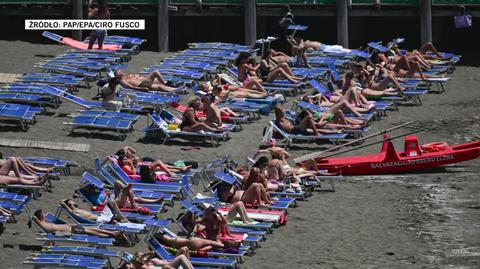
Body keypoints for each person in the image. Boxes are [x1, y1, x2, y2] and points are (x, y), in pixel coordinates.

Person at [33, 209, 127, 241]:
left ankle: (114, 233)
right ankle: (114, 235)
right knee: (93, 232)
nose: (45, 215)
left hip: (71, 227)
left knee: (94, 229)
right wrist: (33, 217)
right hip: (70, 231)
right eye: (44, 214)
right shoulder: (43, 225)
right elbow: (35, 219)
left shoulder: (46, 224)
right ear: (41, 217)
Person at [115, 147, 191, 177]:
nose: (126, 159)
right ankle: (172, 173)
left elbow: (136, 161)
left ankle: (181, 169)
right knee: (158, 162)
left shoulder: (126, 163)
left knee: (163, 167)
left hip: (141, 168)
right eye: (124, 159)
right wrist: (132, 164)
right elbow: (134, 173)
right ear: (121, 160)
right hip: (141, 171)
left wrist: (133, 162)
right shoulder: (124, 166)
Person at [62, 198, 129, 223]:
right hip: (99, 220)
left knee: (112, 201)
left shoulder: (78, 209)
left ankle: (122, 217)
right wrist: (64, 204)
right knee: (114, 222)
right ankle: (123, 221)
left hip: (101, 216)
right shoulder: (73, 212)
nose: (73, 201)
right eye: (71, 201)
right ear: (69, 204)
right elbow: (61, 202)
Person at [116, 70, 180, 92]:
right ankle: (175, 90)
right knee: (158, 86)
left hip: (143, 82)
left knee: (157, 79)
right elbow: (131, 87)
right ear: (117, 75)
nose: (121, 72)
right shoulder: (122, 81)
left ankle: (174, 87)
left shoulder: (126, 77)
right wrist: (141, 89)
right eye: (120, 72)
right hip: (141, 85)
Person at [121, 250, 194, 269]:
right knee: (181, 257)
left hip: (167, 265)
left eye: (130, 265)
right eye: (130, 268)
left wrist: (143, 255)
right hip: (167, 266)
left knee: (182, 255)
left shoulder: (144, 264)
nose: (132, 266)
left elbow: (152, 253)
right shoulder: (142, 266)